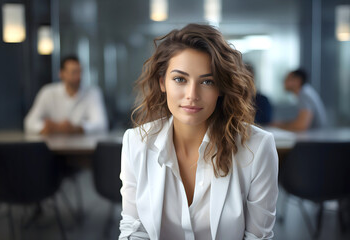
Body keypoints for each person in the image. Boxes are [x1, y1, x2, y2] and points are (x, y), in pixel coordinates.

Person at [119, 24, 278, 240]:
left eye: (207, 81)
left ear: (220, 88)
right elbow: (134, 229)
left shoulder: (258, 147)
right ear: (162, 82)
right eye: (180, 79)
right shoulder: (135, 142)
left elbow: (257, 237)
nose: (192, 95)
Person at [24, 55, 108, 134]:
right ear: (61, 74)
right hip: (52, 147)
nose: (78, 77)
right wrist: (49, 127)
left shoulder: (92, 93)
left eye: (80, 72)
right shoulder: (48, 93)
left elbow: (101, 124)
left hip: (83, 148)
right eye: (74, 72)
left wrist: (77, 129)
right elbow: (29, 123)